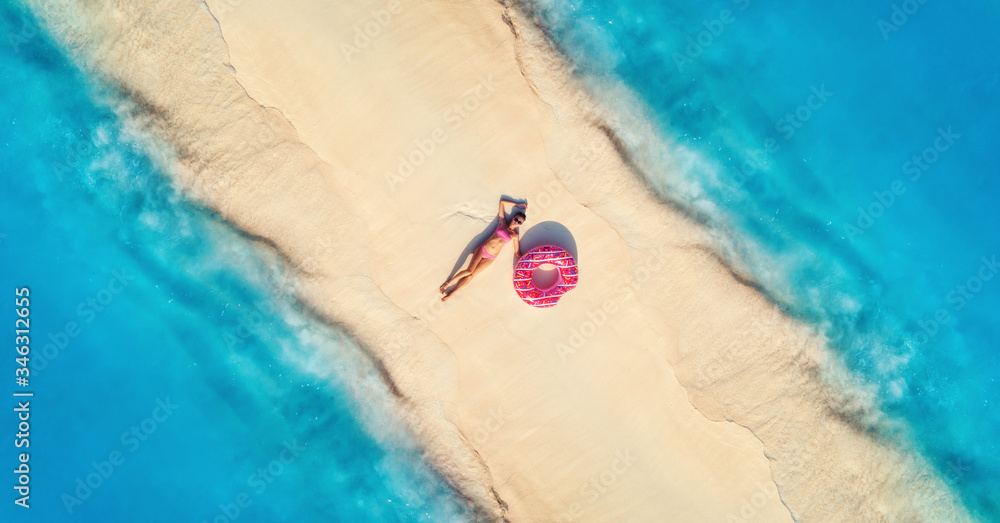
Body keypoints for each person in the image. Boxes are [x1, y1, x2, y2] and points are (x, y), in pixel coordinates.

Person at [439, 197, 527, 301]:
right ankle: (448, 283)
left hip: (491, 258)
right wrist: (517, 204)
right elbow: (502, 202)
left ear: (521, 224)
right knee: (469, 270)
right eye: (516, 219)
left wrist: (527, 258)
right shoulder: (502, 223)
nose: (516, 222)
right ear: (513, 217)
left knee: (471, 276)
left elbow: (517, 253)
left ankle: (451, 294)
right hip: (483, 249)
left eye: (519, 222)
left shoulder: (515, 235)